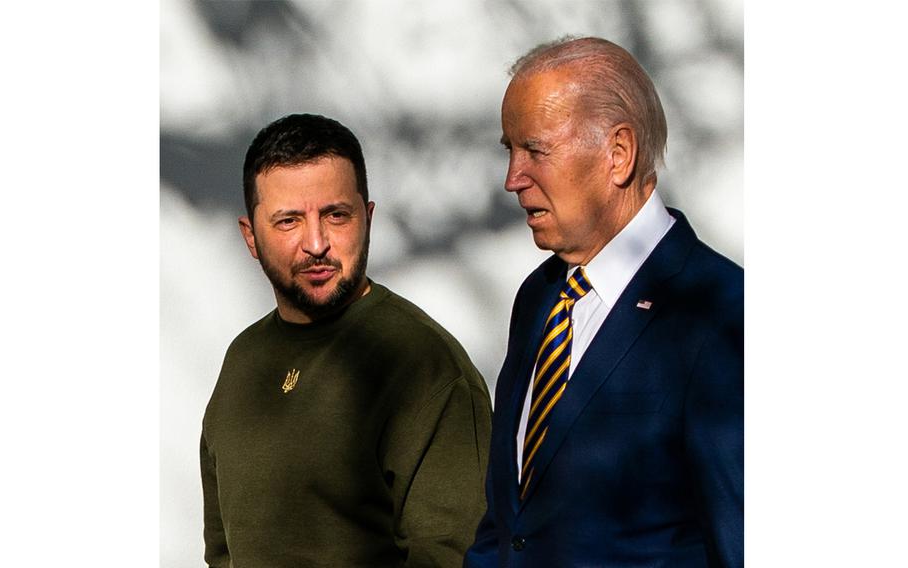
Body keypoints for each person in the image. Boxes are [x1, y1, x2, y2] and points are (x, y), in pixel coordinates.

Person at [465, 37, 743, 567]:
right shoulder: (539, 298)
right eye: (509, 149)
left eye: (535, 150)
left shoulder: (722, 314)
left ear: (618, 154)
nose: (512, 179)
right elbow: (508, 523)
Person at [200, 113, 492, 567]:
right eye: (288, 221)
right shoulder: (243, 360)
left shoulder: (423, 365)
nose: (316, 242)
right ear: (251, 237)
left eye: (336, 215)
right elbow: (222, 553)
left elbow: (456, 558)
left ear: (368, 218)